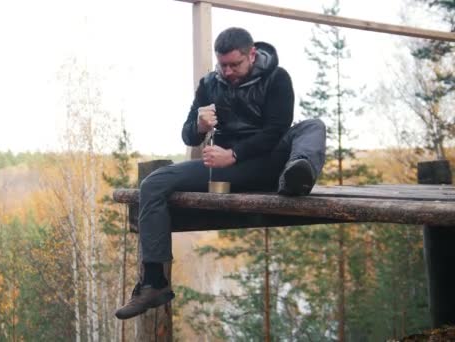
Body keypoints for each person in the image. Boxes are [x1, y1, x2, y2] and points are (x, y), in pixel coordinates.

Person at [115, 27, 326, 320]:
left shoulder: (277, 78)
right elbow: (188, 135)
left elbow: (277, 129)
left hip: (273, 163)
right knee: (154, 183)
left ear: (252, 54)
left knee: (312, 126)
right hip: (226, 173)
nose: (227, 71)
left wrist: (235, 154)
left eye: (234, 65)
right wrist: (200, 127)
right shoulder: (210, 84)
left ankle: (296, 178)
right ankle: (153, 283)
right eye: (222, 64)